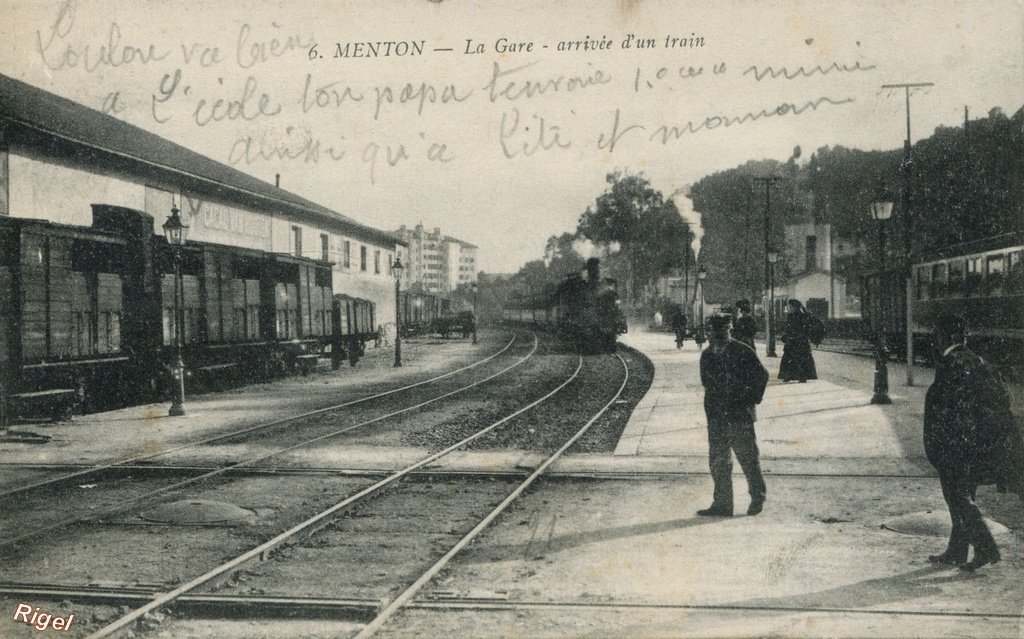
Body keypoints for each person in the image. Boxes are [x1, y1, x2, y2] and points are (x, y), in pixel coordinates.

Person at [924, 314, 1024, 571]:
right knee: (962, 495)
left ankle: (985, 549)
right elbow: (1002, 398)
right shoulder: (978, 361)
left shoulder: (950, 363)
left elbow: (954, 408)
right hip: (980, 443)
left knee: (957, 496)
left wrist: (951, 447)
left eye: (937, 335)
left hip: (958, 445)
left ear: (942, 337)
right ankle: (957, 551)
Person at [697, 312, 770, 517]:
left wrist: (749, 400)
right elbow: (707, 383)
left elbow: (762, 376)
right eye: (714, 331)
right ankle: (722, 504)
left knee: (748, 458)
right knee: (719, 461)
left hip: (739, 415)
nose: (718, 335)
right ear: (709, 332)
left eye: (723, 330)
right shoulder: (707, 355)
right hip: (717, 415)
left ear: (730, 330)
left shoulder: (742, 351)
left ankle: (758, 497)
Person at [778, 299, 817, 382]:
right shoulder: (793, 316)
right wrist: (786, 336)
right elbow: (789, 328)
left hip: (799, 341)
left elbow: (805, 329)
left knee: (797, 359)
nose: (790, 308)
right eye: (789, 307)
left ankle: (798, 376)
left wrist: (795, 336)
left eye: (791, 307)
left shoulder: (802, 316)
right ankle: (790, 376)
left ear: (796, 307)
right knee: (792, 359)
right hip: (795, 341)